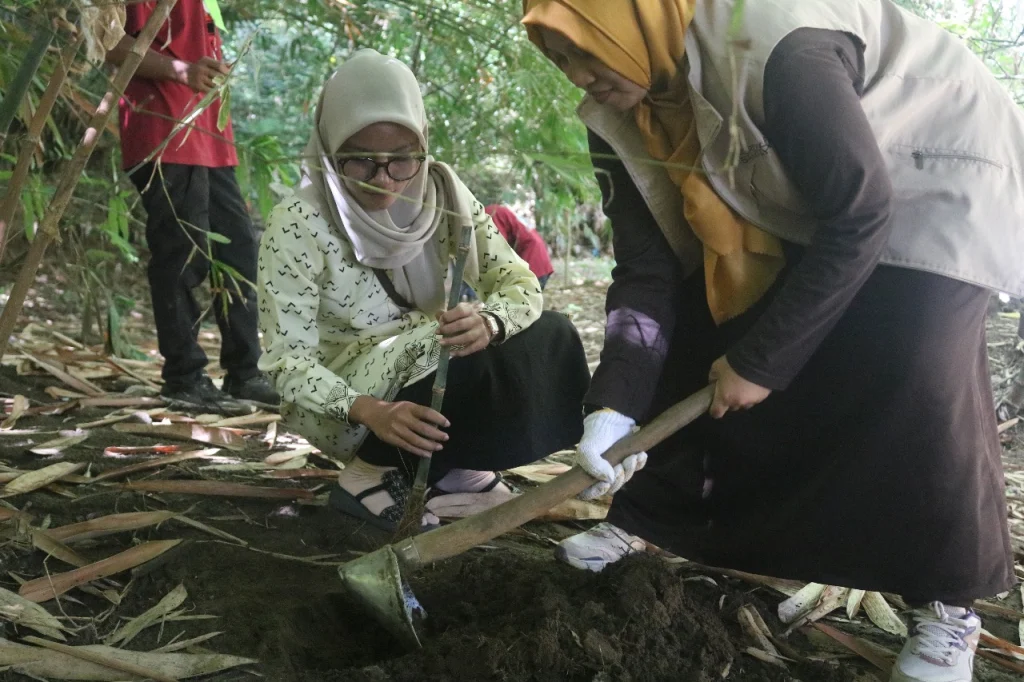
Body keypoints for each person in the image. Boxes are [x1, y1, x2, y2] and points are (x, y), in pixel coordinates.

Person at [521, 2, 1020, 681]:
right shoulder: (617, 118)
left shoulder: (779, 50)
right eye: (559, 60)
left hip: (937, 162)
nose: (581, 77)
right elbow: (650, 272)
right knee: (707, 316)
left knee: (910, 353)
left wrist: (760, 362)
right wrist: (613, 408)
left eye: (587, 49)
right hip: (807, 194)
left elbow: (864, 212)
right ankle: (654, 521)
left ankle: (947, 606)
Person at [257, 49, 589, 530]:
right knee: (443, 343)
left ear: (423, 146)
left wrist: (492, 322)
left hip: (427, 362)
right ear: (331, 150)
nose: (384, 180)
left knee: (548, 334)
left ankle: (459, 471)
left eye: (402, 160)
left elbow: (519, 284)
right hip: (343, 398)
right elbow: (287, 365)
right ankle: (368, 473)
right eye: (361, 162)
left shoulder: (444, 197)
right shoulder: (298, 221)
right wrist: (370, 410)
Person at [106, 0, 279, 412]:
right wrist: (179, 70)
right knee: (183, 255)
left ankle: (245, 372)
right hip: (163, 129)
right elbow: (107, 40)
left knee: (238, 253)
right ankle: (184, 378)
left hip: (209, 136)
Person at [485, 205, 555, 289]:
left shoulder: (489, 214)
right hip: (540, 259)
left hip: (533, 260)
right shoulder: (496, 210)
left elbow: (498, 248)